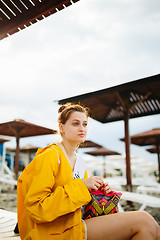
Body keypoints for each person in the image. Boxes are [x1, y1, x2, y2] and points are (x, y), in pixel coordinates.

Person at [17, 103, 160, 240]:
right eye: (75, 123)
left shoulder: (80, 161)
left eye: (85, 124)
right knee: (144, 221)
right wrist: (82, 186)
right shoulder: (50, 156)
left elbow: (80, 201)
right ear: (62, 128)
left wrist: (99, 192)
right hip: (53, 231)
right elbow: (37, 209)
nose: (82, 128)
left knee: (154, 228)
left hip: (76, 223)